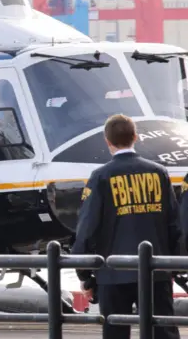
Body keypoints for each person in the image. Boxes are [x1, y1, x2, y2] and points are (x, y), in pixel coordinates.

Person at [71, 114, 182, 339]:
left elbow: (87, 228)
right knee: (162, 331)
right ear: (136, 137)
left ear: (107, 141)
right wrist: (173, 264)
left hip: (113, 272)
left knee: (115, 331)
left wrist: (85, 274)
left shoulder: (101, 176)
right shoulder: (158, 172)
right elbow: (174, 223)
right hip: (155, 270)